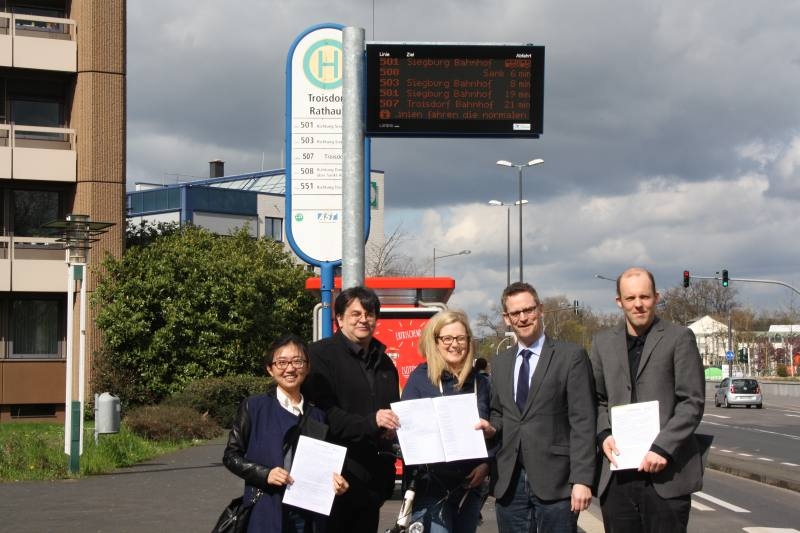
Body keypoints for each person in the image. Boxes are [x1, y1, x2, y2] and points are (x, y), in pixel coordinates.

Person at [590, 267, 705, 533]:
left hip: (666, 477)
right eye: (630, 298)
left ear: (656, 297)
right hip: (617, 478)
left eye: (644, 296)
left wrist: (662, 448)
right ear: (619, 302)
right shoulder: (602, 343)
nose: (638, 304)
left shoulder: (679, 338)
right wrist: (604, 434)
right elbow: (595, 399)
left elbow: (692, 401)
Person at [479, 281, 596, 533]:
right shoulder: (500, 363)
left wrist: (582, 480)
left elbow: (583, 422)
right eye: (515, 313)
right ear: (506, 319)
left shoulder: (570, 357)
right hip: (510, 483)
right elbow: (500, 413)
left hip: (556, 482)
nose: (523, 318)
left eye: (528, 310)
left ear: (540, 309)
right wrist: (491, 428)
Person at [222, 334, 349, 533]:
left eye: (297, 361)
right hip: (265, 507)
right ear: (270, 369)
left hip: (308, 514)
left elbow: (325, 463)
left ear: (307, 367)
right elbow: (231, 456)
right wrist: (265, 474)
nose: (290, 369)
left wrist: (337, 482)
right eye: (281, 362)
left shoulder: (317, 415)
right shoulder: (254, 407)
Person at [302, 286, 400, 533]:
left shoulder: (386, 363)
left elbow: (390, 411)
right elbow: (323, 414)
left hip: (373, 481)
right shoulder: (319, 355)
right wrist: (372, 422)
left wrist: (390, 430)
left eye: (369, 314)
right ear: (339, 319)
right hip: (334, 476)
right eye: (356, 314)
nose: (363, 319)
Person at [401, 309, 491, 533]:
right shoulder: (420, 378)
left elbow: (496, 428)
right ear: (435, 342)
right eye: (447, 338)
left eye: (461, 338)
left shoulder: (481, 383)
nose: (454, 344)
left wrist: (486, 463)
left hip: (470, 487)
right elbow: (406, 429)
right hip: (431, 486)